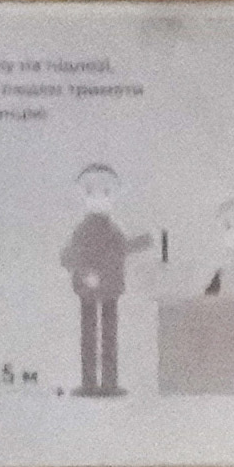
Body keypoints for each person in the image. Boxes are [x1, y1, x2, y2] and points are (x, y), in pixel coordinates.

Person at [63, 158, 135, 395]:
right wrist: (86, 273)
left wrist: (145, 241)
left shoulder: (112, 229)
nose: (99, 197)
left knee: (108, 334)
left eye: (106, 192)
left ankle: (109, 382)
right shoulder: (83, 230)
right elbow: (70, 256)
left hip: (110, 287)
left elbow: (122, 248)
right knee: (91, 334)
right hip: (90, 287)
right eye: (92, 192)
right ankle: (90, 382)